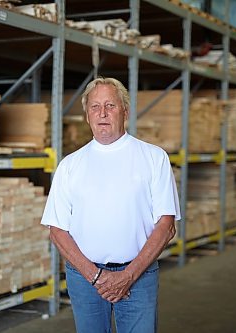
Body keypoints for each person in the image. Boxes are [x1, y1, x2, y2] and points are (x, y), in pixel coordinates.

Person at [41, 77, 181, 333]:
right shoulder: (70, 165)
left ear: (125, 112)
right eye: (95, 106)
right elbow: (57, 231)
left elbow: (166, 225)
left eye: (110, 105)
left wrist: (128, 276)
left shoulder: (154, 158)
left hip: (138, 276)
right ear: (87, 115)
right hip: (85, 279)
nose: (102, 113)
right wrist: (95, 276)